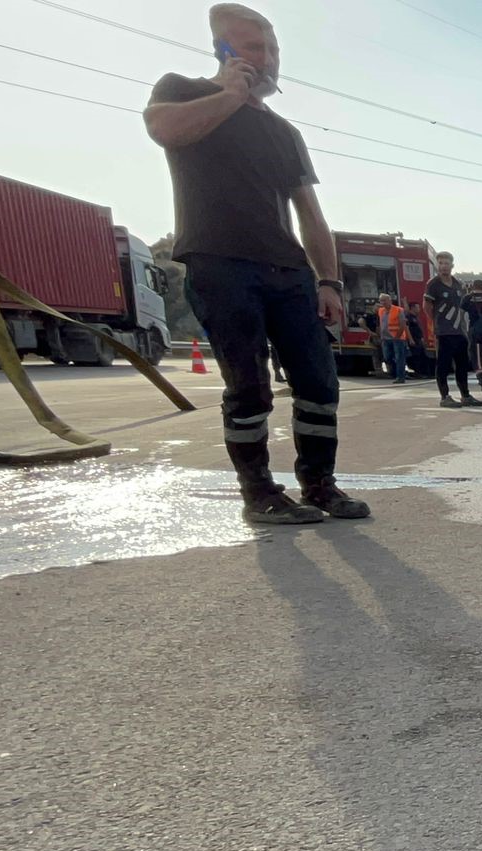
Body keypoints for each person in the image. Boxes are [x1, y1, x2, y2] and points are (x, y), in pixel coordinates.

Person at [145, 2, 367, 523]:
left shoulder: (284, 131)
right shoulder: (183, 89)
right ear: (223, 50)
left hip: (287, 269)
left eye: (272, 49)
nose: (266, 59)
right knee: (249, 384)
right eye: (252, 48)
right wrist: (230, 94)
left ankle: (319, 485)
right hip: (219, 260)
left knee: (318, 382)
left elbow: (310, 213)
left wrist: (329, 281)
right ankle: (259, 492)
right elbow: (164, 131)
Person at [423, 251, 482, 409]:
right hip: (444, 332)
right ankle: (445, 396)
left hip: (459, 331)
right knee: (443, 365)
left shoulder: (457, 284)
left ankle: (465, 395)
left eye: (446, 263)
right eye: (441, 263)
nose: (443, 266)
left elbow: (463, 307)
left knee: (462, 365)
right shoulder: (433, 284)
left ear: (452, 265)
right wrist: (437, 323)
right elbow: (427, 307)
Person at [374, 292, 410, 382]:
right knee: (387, 357)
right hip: (385, 339)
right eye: (381, 300)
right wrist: (380, 336)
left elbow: (402, 324)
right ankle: (395, 372)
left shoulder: (398, 310)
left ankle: (400, 377)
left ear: (390, 300)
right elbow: (380, 324)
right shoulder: (381, 311)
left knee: (399, 358)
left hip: (397, 338)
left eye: (384, 300)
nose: (383, 302)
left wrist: (397, 336)